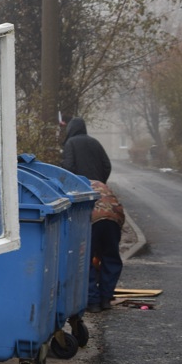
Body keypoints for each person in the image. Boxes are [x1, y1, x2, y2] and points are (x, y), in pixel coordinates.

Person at [87, 180, 125, 313]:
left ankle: (92, 301)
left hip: (92, 217)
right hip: (114, 217)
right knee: (111, 258)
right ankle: (105, 299)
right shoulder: (99, 184)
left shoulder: (73, 185)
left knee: (85, 260)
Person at [61, 117, 111, 182]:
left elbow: (68, 166)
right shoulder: (95, 142)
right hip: (96, 187)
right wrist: (101, 180)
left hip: (79, 186)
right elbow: (107, 165)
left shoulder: (70, 143)